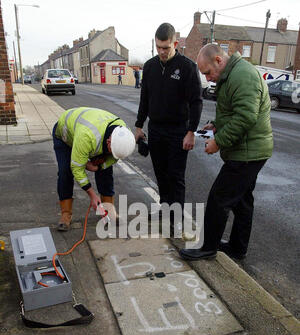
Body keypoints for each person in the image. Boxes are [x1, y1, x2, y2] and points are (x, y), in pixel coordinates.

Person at [180, 44, 273, 261]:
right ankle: (237, 248)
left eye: (208, 72)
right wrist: (215, 125)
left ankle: (207, 247)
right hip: (250, 150)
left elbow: (245, 117)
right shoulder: (233, 74)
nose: (208, 78)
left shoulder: (243, 75)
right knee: (242, 201)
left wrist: (218, 142)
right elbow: (234, 112)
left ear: (219, 61)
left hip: (248, 152)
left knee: (219, 198)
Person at [135, 23, 202, 234]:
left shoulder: (187, 67)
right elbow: (144, 98)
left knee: (176, 177)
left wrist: (191, 131)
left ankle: (177, 220)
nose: (162, 52)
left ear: (175, 43)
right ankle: (165, 211)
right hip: (156, 130)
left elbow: (196, 102)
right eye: (158, 47)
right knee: (161, 174)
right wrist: (138, 125)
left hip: (178, 131)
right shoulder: (150, 66)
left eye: (166, 47)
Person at [52, 107, 136, 231]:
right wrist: (92, 195)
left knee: (106, 171)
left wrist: (99, 166)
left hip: (90, 134)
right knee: (66, 172)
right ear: (109, 141)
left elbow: (114, 158)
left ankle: (109, 208)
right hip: (65, 135)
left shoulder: (123, 133)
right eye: (112, 151)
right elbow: (77, 168)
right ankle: (66, 214)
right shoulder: (87, 136)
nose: (113, 156)